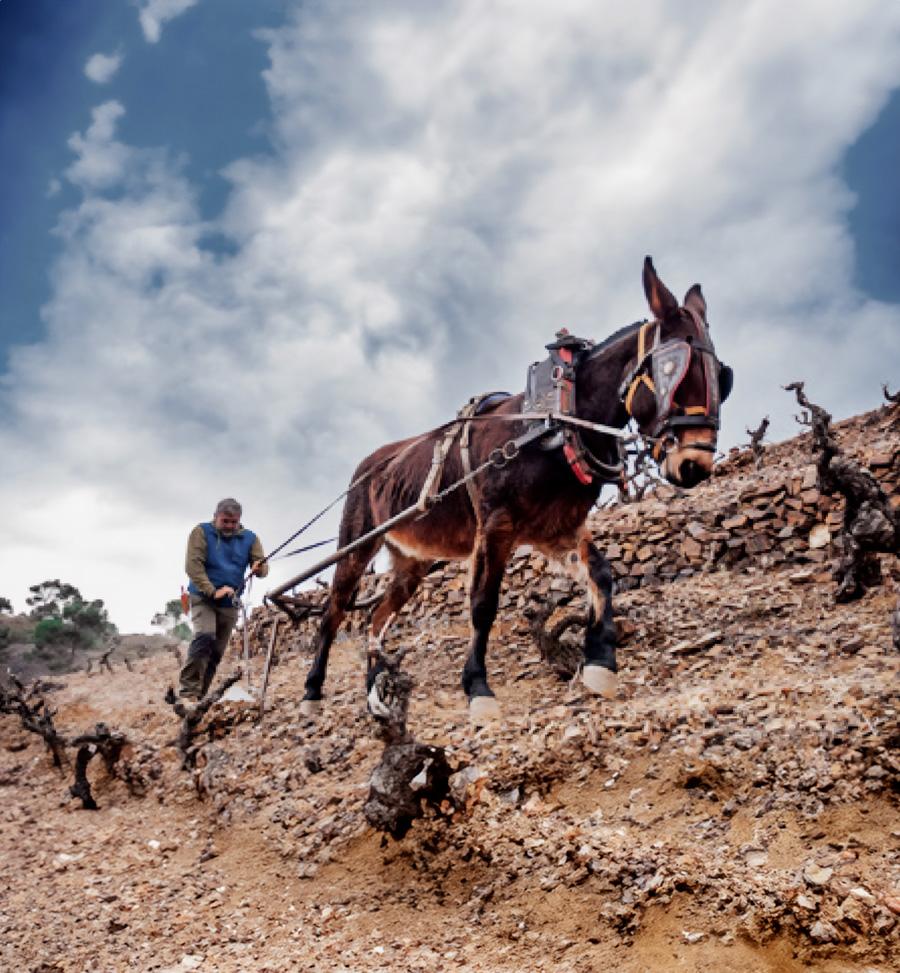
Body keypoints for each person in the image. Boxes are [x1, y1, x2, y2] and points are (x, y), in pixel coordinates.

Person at [178, 498, 268, 700]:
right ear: (215, 517)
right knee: (205, 637)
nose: (229, 526)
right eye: (224, 521)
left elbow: (263, 567)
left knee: (216, 652)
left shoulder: (250, 539)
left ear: (239, 521)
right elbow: (193, 567)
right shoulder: (200, 532)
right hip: (203, 597)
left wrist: (259, 567)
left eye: (233, 522)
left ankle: (200, 697)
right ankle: (188, 692)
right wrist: (212, 591)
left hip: (230, 603)